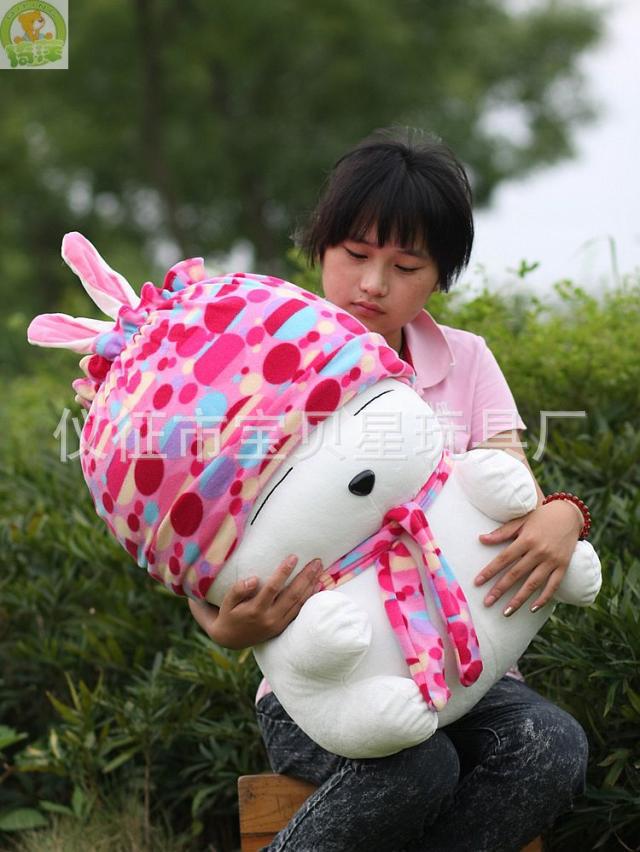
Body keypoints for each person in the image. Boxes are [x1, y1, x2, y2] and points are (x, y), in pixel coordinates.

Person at [189, 128, 590, 851]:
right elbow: (201, 534)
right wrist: (220, 624)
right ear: (320, 247)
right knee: (415, 766)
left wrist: (565, 516)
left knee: (551, 749)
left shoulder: (466, 362)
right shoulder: (257, 368)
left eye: (406, 265)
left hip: (471, 668)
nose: (374, 283)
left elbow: (515, 492)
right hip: (330, 682)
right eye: (355, 254)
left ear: (439, 277)